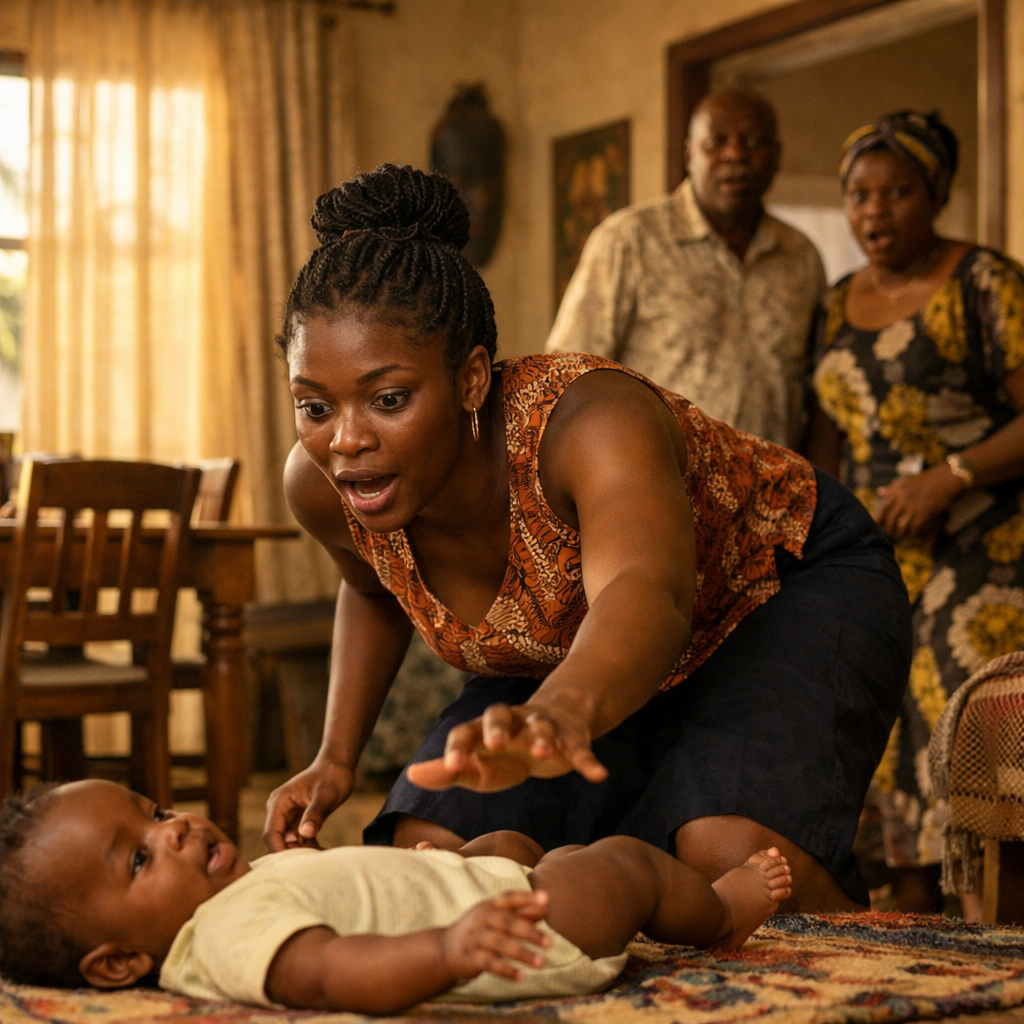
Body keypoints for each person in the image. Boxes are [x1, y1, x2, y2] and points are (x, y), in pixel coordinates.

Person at [263, 162, 911, 914]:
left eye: (388, 399)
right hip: (574, 654)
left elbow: (645, 592)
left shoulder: (589, 421)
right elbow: (374, 589)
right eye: (315, 407)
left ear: (471, 380)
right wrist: (335, 757)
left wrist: (561, 713)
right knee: (437, 859)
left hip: (779, 583)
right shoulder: (322, 487)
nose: (346, 440)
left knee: (724, 857)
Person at [0, 780, 794, 1011]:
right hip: (524, 935)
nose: (173, 829)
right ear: (116, 964)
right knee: (624, 865)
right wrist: (447, 950)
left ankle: (496, 865)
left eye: (155, 810)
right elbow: (333, 972)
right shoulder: (222, 939)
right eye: (139, 858)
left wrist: (329, 867)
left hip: (482, 887)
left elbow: (331, 903)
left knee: (509, 842)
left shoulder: (230, 897)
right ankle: (721, 914)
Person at [806, 110, 1024, 913]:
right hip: (870, 551)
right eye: (859, 195)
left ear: (935, 194)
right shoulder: (836, 303)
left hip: (981, 545)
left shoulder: (985, 283)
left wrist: (951, 476)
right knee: (877, 718)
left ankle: (993, 917)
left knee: (958, 718)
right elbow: (825, 436)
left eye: (897, 192)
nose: (875, 211)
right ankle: (908, 916)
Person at [544, 89, 825, 449]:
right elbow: (567, 376)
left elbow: (819, 389)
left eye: (754, 141)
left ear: (777, 156)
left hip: (775, 478)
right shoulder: (629, 240)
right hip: (659, 476)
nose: (736, 154)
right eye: (717, 141)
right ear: (690, 153)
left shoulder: (800, 255)